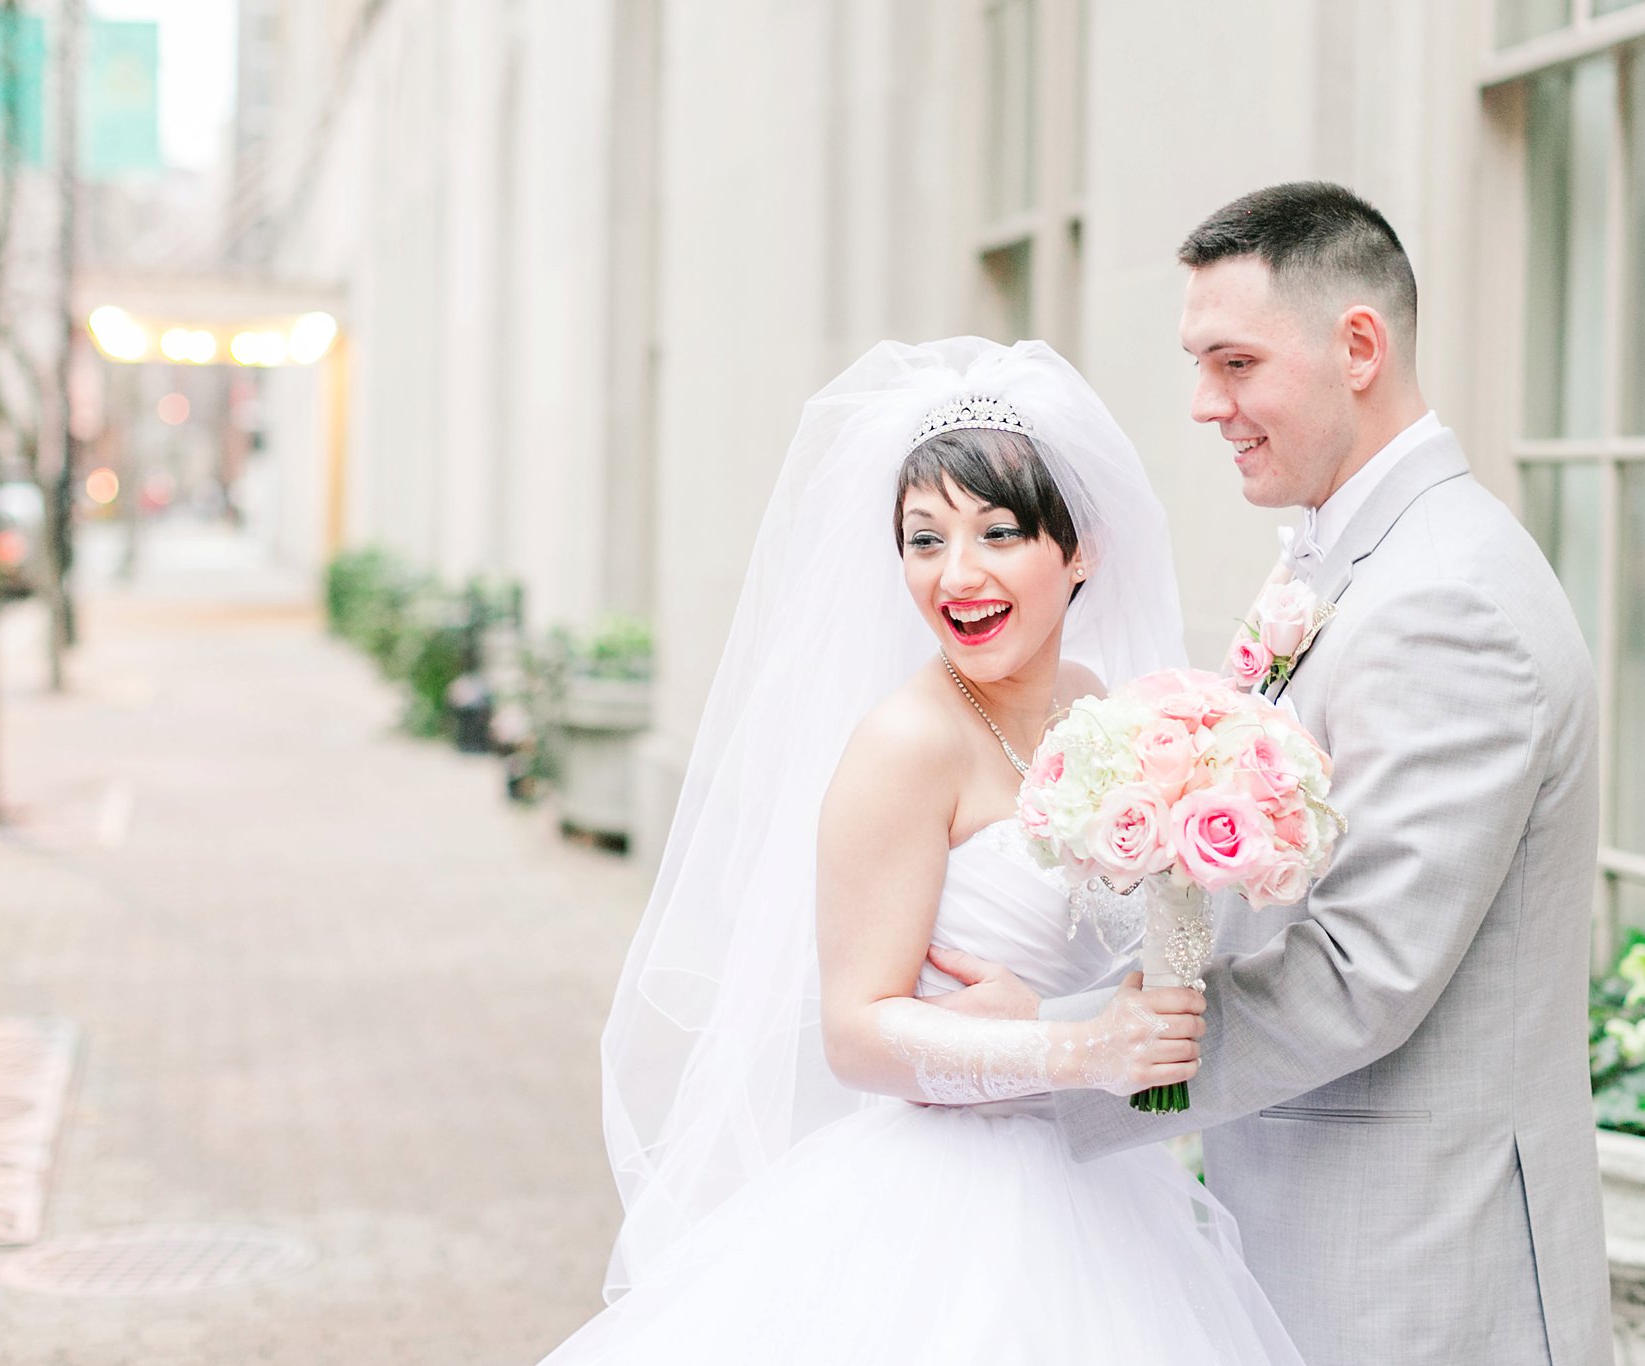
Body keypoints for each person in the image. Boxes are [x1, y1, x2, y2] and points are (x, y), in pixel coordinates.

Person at [933, 182, 1617, 1366]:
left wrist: (1061, 1043)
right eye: (1199, 364)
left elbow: (1361, 971)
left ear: (1358, 346)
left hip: (1414, 1260)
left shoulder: (1444, 600)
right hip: (1319, 1227)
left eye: (1234, 362)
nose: (1206, 405)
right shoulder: (1357, 561)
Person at [537, 338, 1302, 1364]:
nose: (958, 574)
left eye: (997, 532)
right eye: (923, 538)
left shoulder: (1101, 707)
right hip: (953, 1199)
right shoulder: (905, 745)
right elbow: (855, 1034)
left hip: (1102, 1181)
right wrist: (1073, 1047)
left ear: (1077, 551)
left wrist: (1101, 1003)